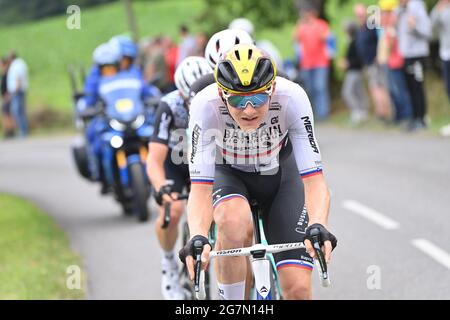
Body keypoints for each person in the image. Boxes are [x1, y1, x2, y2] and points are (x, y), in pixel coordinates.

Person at [179, 44, 337, 300]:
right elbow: (200, 188)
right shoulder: (204, 105)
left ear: (272, 88)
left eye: (259, 97)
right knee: (232, 222)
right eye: (238, 100)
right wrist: (197, 235)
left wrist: (318, 223)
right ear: (222, 93)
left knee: (297, 289)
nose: (249, 109)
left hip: (281, 175)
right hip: (229, 175)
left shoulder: (292, 98)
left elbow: (315, 180)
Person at [147, 56, 213, 300]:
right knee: (172, 211)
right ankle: (169, 266)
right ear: (182, 94)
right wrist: (161, 186)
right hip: (176, 164)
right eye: (191, 100)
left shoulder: (217, 100)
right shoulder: (170, 106)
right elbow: (154, 159)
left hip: (206, 163)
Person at [396, 0, 432, 131]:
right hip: (406, 55)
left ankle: (422, 119)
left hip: (417, 54)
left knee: (417, 88)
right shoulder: (401, 10)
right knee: (410, 88)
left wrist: (414, 26)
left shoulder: (418, 7)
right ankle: (415, 117)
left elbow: (428, 31)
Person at [294, 6, 332, 120]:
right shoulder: (301, 26)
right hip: (306, 63)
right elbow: (295, 39)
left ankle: (323, 114)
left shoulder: (321, 24)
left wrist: (314, 25)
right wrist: (300, 25)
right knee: (309, 88)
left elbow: (326, 38)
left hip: (321, 62)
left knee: (320, 87)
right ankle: (312, 112)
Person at [378, 0, 413, 124]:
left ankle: (407, 116)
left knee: (400, 90)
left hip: (396, 61)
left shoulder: (393, 22)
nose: (382, 15)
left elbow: (391, 43)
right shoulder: (386, 25)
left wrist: (390, 32)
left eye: (384, 12)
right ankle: (398, 115)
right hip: (389, 61)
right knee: (393, 91)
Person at [340, 21, 370, 124]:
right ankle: (363, 112)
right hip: (355, 70)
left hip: (354, 71)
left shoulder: (355, 43)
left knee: (347, 91)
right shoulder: (354, 41)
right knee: (359, 91)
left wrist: (348, 63)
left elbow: (358, 58)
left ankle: (357, 112)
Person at [431, 0, 450, 102]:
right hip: (445, 54)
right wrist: (437, 11)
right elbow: (432, 30)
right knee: (448, 86)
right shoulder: (439, 9)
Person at [7, 51, 29, 137]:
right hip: (18, 91)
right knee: (19, 111)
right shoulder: (18, 64)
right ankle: (23, 130)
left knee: (17, 111)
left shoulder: (17, 65)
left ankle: (23, 131)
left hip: (17, 91)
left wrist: (15, 90)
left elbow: (18, 78)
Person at [1, 57, 14, 138]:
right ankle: (7, 130)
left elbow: (9, 86)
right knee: (5, 114)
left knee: (7, 114)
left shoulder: (7, 74)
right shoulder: (4, 74)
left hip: (7, 97)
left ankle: (10, 131)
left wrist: (8, 96)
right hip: (4, 97)